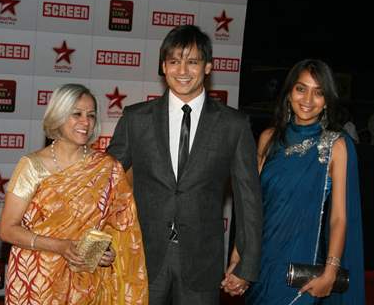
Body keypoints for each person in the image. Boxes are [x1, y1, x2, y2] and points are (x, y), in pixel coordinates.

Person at [107, 25, 262, 305]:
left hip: (202, 262)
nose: (183, 70)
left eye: (192, 61)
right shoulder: (135, 119)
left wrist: (247, 264)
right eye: (174, 61)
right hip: (142, 256)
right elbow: (104, 182)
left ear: (208, 67)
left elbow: (248, 198)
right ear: (163, 66)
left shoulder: (233, 125)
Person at [0, 84, 148, 304]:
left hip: (87, 282)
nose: (85, 122)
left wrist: (110, 253)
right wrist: (60, 246)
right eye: (76, 114)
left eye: (91, 115)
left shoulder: (107, 168)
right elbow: (7, 230)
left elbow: (121, 229)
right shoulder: (33, 166)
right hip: (37, 281)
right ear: (58, 116)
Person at [245, 59, 365, 304]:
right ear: (289, 93)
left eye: (318, 92)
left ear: (327, 101)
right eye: (301, 89)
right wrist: (239, 257)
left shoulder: (337, 145)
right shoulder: (268, 139)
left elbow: (339, 217)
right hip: (262, 263)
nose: (308, 99)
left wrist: (330, 272)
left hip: (303, 264)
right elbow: (253, 209)